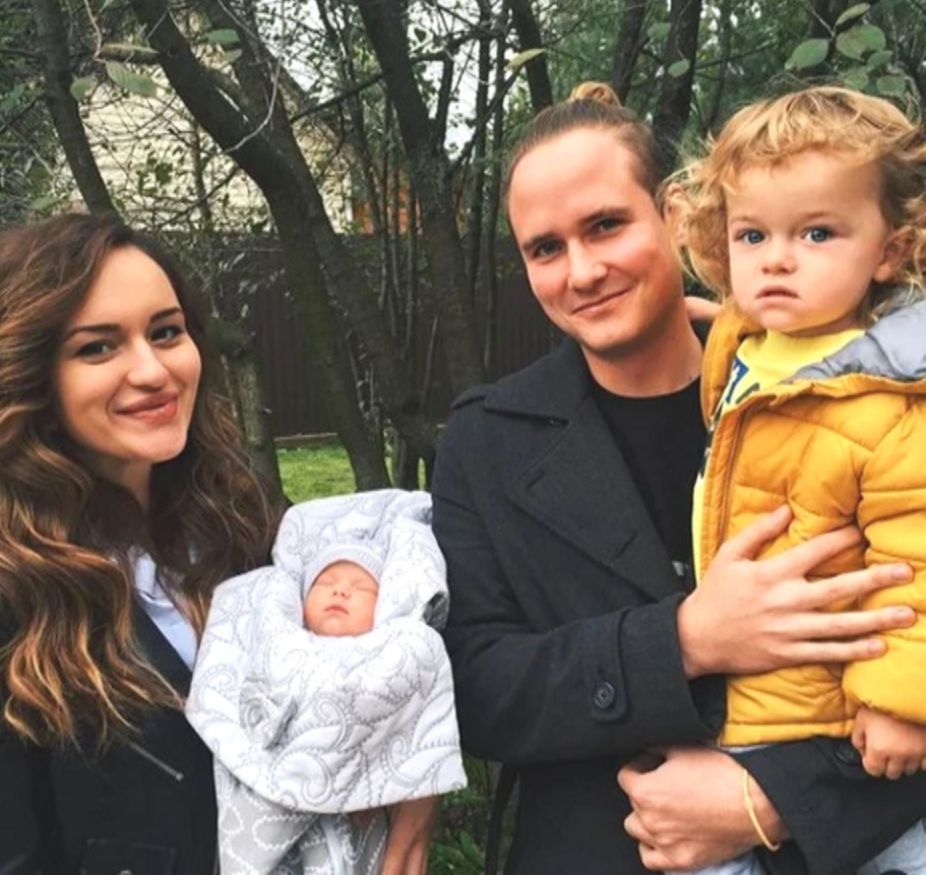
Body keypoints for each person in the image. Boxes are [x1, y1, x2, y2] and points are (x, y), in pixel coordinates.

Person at [430, 81, 926, 875]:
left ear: (673, 213)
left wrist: (775, 801)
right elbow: (478, 688)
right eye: (545, 249)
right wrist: (683, 640)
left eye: (606, 225)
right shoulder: (488, 440)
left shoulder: (860, 403)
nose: (582, 270)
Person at [671, 86, 926, 875]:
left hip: (846, 718)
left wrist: (902, 702)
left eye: (818, 233)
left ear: (888, 252)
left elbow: (918, 553)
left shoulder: (892, 400)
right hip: (751, 701)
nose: (777, 258)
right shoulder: (747, 346)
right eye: (753, 234)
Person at [0, 213, 280, 873]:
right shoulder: (15, 586)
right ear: (34, 374)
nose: (152, 370)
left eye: (166, 332)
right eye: (99, 347)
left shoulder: (241, 525)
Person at [185, 489, 467, 875]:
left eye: (362, 587)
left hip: (361, 823)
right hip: (259, 800)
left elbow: (412, 712)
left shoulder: (398, 652)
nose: (340, 589)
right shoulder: (278, 642)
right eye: (325, 582)